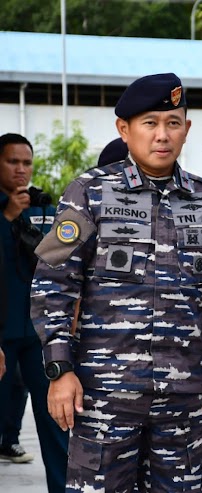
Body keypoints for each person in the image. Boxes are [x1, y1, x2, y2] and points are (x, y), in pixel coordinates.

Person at [30, 73, 202, 492]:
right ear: (124, 130)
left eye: (172, 123)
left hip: (187, 398)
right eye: (150, 123)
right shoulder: (89, 192)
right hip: (104, 396)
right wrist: (60, 370)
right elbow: (52, 284)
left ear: (186, 129)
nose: (162, 135)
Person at [0, 132, 68, 491]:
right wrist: (8, 215)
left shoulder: (42, 205)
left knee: (54, 417)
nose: (21, 170)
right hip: (1, 333)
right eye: (13, 162)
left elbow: (61, 263)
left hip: (38, 333)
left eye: (26, 162)